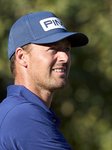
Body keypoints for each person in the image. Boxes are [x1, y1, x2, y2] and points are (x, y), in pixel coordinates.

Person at [0, 11, 88, 149]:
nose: (65, 57)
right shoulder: (23, 116)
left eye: (66, 49)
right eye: (52, 48)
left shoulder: (15, 109)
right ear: (22, 57)